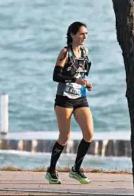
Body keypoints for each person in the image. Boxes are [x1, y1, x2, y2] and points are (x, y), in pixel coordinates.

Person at [45, 21, 93, 185]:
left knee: (89, 134)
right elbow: (56, 76)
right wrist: (75, 80)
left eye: (86, 34)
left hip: (80, 98)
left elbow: (82, 74)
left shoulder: (85, 52)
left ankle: (76, 169)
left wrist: (86, 83)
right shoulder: (65, 52)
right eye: (81, 33)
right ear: (72, 35)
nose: (84, 37)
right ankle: (51, 170)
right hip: (64, 100)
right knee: (64, 137)